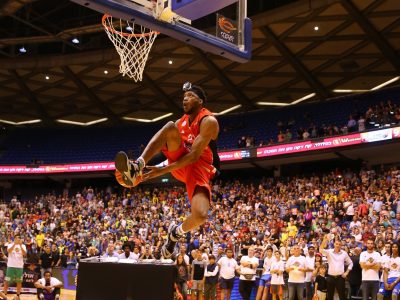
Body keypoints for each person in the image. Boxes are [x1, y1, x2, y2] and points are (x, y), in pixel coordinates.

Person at [115, 81, 220, 259]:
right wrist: (155, 167)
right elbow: (175, 151)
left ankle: (175, 233)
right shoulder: (181, 122)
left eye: (190, 96)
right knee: (170, 127)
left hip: (200, 167)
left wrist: (161, 171)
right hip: (180, 162)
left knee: (201, 215)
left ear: (200, 101)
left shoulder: (208, 121)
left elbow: (193, 156)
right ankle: (138, 164)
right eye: (184, 97)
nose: (185, 99)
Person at [319, 235, 353, 300]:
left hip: (340, 278)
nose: (338, 245)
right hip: (330, 277)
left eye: (339, 244)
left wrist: (347, 272)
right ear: (334, 244)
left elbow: (351, 263)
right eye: (336, 244)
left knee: (342, 296)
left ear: (341, 245)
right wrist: (324, 240)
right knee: (329, 297)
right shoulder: (329, 252)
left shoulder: (344, 253)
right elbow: (320, 250)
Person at [3, 235, 26, 300]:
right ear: (14, 238)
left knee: (19, 282)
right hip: (11, 266)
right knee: (7, 281)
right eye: (17, 238)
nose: (18, 239)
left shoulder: (23, 246)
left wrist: (21, 245)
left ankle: (18, 295)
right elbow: (9, 251)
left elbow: (24, 254)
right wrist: (14, 244)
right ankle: (5, 295)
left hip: (19, 266)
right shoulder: (10, 244)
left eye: (19, 238)